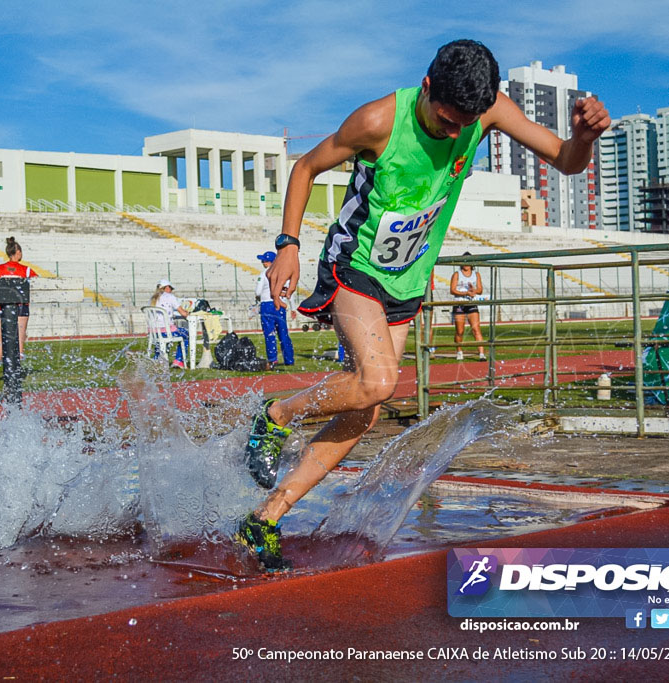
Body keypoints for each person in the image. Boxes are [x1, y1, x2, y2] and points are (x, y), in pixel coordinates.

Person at [235, 39, 609, 571]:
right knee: (379, 382)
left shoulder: (488, 111)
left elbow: (567, 162)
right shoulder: (377, 121)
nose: (457, 134)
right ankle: (273, 417)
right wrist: (288, 246)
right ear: (428, 87)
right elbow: (305, 169)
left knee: (363, 413)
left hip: (406, 283)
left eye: (467, 125)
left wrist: (585, 137)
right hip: (355, 267)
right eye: (447, 120)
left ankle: (264, 519)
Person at [0, 237, 37, 382]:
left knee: (0, 341)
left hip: (4, 307)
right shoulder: (26, 270)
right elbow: (38, 284)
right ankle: (16, 373)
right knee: (19, 340)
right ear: (17, 252)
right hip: (21, 307)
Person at [255, 251, 295, 370]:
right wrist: (293, 308)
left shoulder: (263, 274)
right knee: (283, 333)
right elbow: (289, 293)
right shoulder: (284, 275)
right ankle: (289, 359)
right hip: (280, 306)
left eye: (264, 261)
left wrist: (258, 299)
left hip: (267, 304)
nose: (262, 263)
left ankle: (273, 360)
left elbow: (257, 292)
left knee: (270, 334)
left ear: (269, 262)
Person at [449, 254, 485, 361]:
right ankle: (459, 351)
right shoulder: (457, 274)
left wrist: (474, 291)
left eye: (468, 261)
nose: (466, 264)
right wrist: (465, 293)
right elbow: (452, 290)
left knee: (476, 329)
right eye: (464, 261)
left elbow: (480, 289)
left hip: (471, 303)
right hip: (459, 304)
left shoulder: (476, 274)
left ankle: (481, 354)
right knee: (460, 331)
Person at [149, 278, 190, 369]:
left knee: (161, 338)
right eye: (171, 289)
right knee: (186, 334)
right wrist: (188, 313)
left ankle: (157, 358)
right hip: (166, 331)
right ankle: (179, 361)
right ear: (167, 287)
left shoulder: (152, 299)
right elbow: (183, 313)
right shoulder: (170, 297)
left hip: (154, 331)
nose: (171, 291)